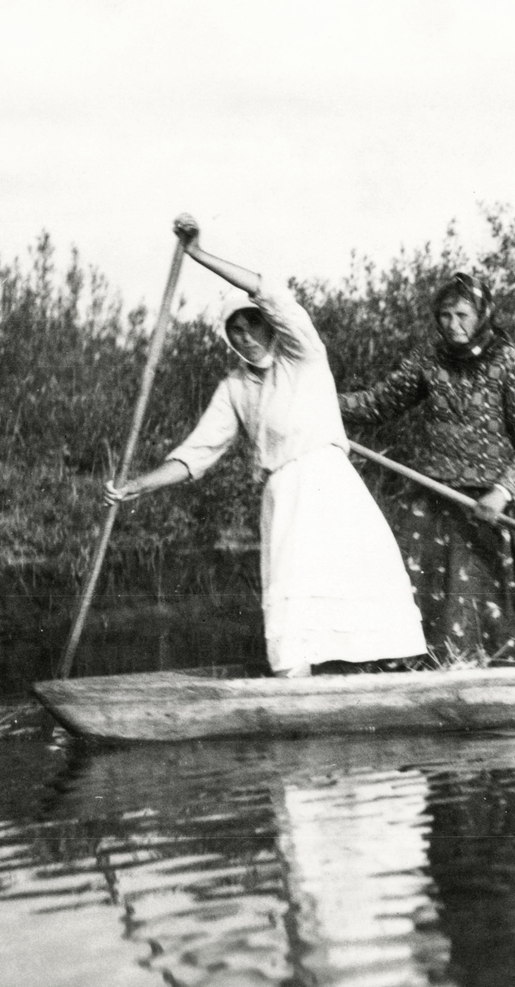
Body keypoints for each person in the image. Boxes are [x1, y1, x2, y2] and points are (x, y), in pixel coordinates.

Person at [103, 215, 426, 677]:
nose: (246, 337)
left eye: (254, 325)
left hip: (330, 485)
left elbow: (270, 291)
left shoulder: (304, 355)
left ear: (271, 326)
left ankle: (386, 682)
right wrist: (137, 485)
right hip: (285, 494)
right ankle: (295, 685)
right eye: (235, 330)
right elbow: (196, 454)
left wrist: (196, 254)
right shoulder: (235, 387)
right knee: (294, 600)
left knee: (358, 587)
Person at [337, 272, 515, 665]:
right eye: (444, 316)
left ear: (482, 314)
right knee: (412, 605)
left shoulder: (512, 365)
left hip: (493, 508)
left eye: (462, 315)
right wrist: (317, 398)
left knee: (509, 621)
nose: (453, 325)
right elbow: (377, 404)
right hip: (433, 502)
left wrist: (503, 491)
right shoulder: (428, 361)